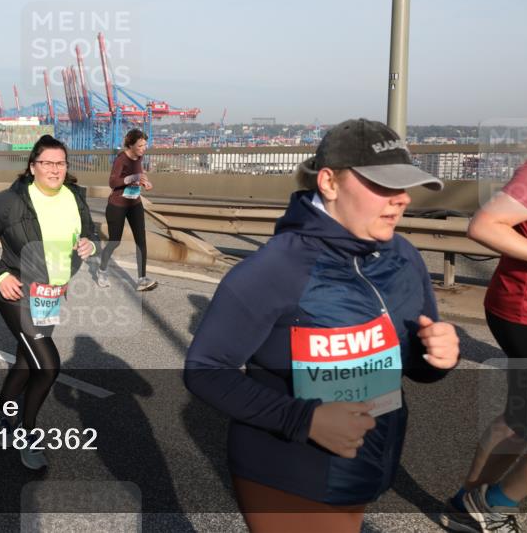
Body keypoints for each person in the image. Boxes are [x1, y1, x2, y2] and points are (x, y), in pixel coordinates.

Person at [184, 118, 460, 533]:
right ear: (329, 183)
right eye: (383, 186)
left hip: (368, 457)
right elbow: (204, 371)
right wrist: (305, 420)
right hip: (289, 469)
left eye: (405, 186)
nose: (401, 199)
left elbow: (410, 364)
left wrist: (435, 357)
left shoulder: (404, 256)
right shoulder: (275, 267)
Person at [442, 113, 527, 533]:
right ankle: (487, 503)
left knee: (524, 417)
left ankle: (468, 505)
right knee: (526, 418)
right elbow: (483, 225)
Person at [0, 135, 98, 470]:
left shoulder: (74, 197)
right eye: (48, 163)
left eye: (61, 163)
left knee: (27, 364)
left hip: (51, 293)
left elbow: (89, 233)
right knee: (49, 365)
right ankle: (26, 434)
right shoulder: (11, 201)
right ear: (32, 166)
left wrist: (90, 245)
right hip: (17, 292)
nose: (55, 169)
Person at [97, 128, 157, 292]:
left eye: (145, 145)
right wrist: (133, 178)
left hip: (134, 203)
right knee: (114, 242)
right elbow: (113, 182)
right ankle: (102, 270)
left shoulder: (140, 157)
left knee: (141, 241)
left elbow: (140, 174)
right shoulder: (121, 159)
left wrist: (145, 181)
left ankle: (142, 279)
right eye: (140, 146)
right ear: (130, 145)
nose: (144, 148)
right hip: (118, 206)